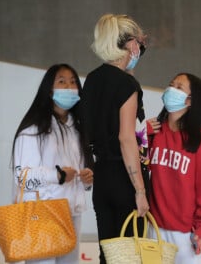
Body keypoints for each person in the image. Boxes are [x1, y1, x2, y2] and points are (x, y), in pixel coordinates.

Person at [80, 13, 150, 263]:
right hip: (124, 179)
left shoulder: (92, 79)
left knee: (108, 255)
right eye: (139, 44)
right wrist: (140, 191)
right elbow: (126, 139)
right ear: (130, 43)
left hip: (102, 179)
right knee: (130, 256)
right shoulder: (126, 85)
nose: (140, 49)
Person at [11, 63, 94, 264]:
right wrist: (56, 175)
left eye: (73, 82)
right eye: (62, 82)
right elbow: (22, 178)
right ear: (49, 90)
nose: (69, 87)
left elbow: (83, 174)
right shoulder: (33, 130)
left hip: (71, 213)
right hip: (43, 214)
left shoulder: (77, 129)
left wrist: (87, 180)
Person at [147, 73, 201, 264]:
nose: (171, 89)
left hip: (187, 236)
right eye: (171, 84)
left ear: (190, 100)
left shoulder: (200, 139)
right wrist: (140, 136)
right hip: (154, 229)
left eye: (179, 87)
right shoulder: (153, 132)